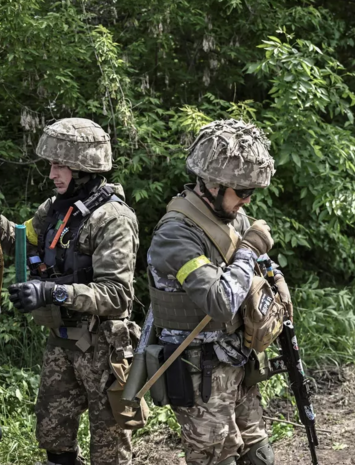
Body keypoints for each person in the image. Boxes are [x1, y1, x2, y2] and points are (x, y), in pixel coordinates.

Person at [0, 118, 140, 465]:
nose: (51, 174)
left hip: (103, 346)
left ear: (83, 168)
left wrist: (51, 293)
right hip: (61, 342)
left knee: (109, 452)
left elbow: (117, 294)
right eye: (51, 165)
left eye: (60, 165)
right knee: (54, 440)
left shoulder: (113, 218)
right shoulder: (55, 209)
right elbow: (21, 240)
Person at [140, 119, 291, 465]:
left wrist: (275, 280)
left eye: (251, 193)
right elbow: (221, 302)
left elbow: (259, 264)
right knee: (214, 458)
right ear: (211, 183)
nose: (247, 200)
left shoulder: (230, 216)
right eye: (241, 192)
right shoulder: (175, 236)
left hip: (237, 360)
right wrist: (249, 252)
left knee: (258, 455)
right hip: (199, 373)